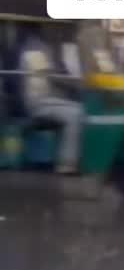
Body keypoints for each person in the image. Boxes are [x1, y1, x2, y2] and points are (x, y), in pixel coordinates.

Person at [18, 27, 83, 173]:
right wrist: (77, 84)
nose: (59, 33)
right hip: (38, 102)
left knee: (76, 108)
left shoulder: (44, 48)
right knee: (77, 114)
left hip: (46, 99)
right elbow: (51, 76)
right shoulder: (35, 50)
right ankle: (67, 164)